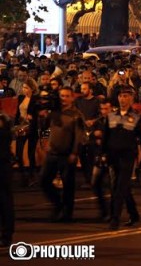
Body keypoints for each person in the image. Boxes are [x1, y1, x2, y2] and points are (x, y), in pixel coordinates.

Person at [102, 85, 141, 230]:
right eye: (121, 96)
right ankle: (133, 214)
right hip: (113, 156)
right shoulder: (111, 116)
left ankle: (114, 218)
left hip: (128, 157)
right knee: (123, 187)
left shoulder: (137, 117)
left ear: (132, 98)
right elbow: (105, 138)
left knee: (118, 187)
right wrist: (102, 154)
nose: (123, 99)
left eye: (126, 96)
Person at [40, 87, 85, 222]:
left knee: (68, 186)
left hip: (67, 155)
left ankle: (67, 213)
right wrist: (45, 140)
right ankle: (58, 204)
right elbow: (45, 127)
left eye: (66, 96)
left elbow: (79, 135)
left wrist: (74, 152)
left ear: (72, 98)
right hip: (52, 153)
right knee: (44, 180)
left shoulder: (76, 115)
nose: (63, 99)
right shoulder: (54, 112)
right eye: (61, 96)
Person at [0, 112, 14, 247]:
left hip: (2, 167)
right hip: (4, 166)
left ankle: (6, 234)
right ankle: (6, 234)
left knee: (4, 201)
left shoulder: (3, 132)